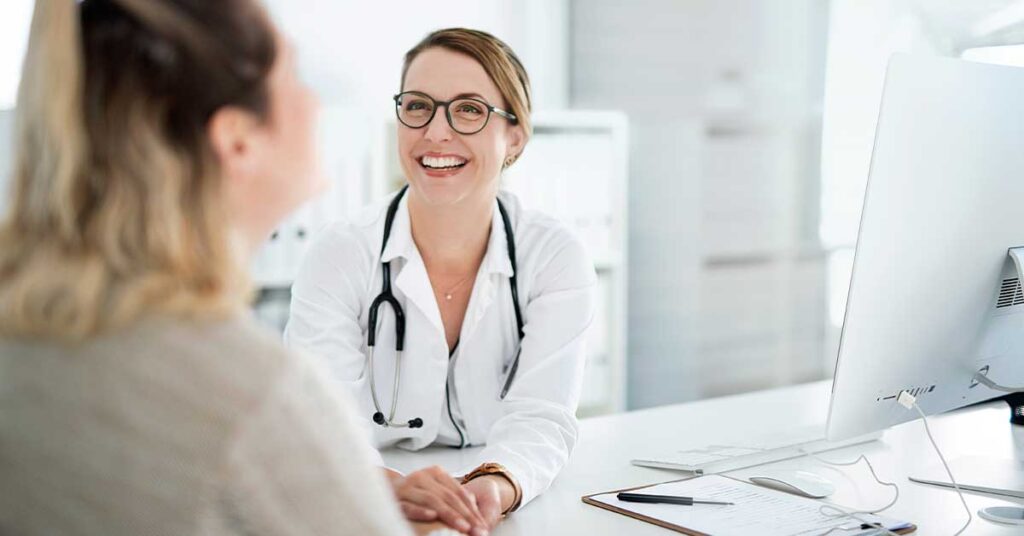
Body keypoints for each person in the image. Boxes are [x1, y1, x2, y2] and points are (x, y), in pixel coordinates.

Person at [0, 1, 448, 535]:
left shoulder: (22, 341)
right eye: (295, 75)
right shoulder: (255, 399)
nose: (314, 103)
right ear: (238, 139)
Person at [285, 28, 597, 533]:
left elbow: (543, 415)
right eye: (418, 106)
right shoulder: (340, 253)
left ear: (514, 135)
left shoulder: (554, 256)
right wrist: (387, 486)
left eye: (469, 109)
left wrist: (491, 488)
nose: (436, 132)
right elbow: (317, 424)